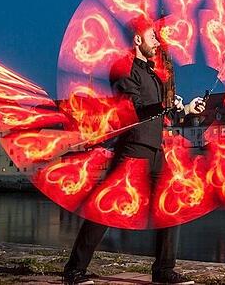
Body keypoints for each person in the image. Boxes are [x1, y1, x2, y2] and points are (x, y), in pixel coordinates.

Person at [63, 15, 206, 285]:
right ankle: (74, 271)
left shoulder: (153, 74)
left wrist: (186, 110)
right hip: (132, 149)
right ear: (139, 39)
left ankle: (163, 270)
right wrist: (163, 107)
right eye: (152, 37)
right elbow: (132, 108)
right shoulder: (124, 69)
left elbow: (162, 115)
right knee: (104, 209)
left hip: (155, 149)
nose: (157, 42)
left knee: (170, 205)